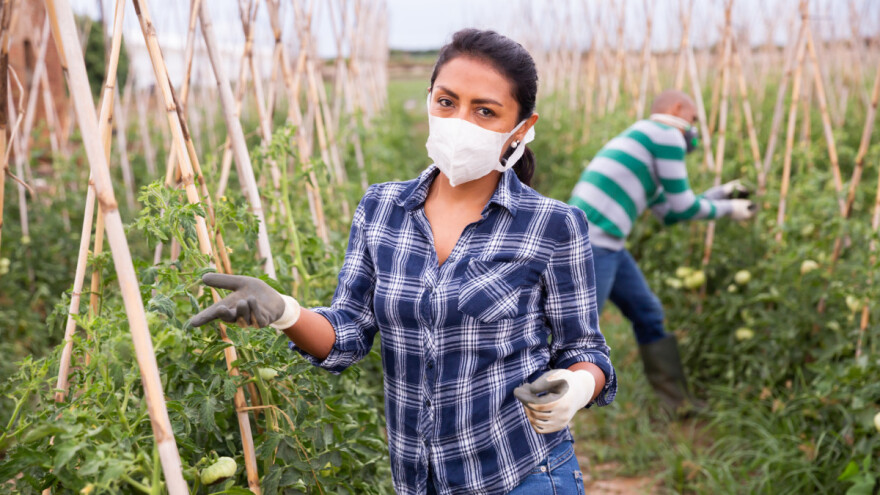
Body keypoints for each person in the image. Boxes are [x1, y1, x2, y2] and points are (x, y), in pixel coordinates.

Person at [190, 29, 615, 495]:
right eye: (447, 102)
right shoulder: (381, 209)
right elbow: (348, 332)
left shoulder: (552, 225)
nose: (459, 122)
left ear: (521, 127)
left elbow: (585, 350)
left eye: (485, 111)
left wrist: (576, 387)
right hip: (417, 479)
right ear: (429, 98)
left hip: (520, 473)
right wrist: (286, 313)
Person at [568, 89, 755, 415]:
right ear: (678, 108)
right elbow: (684, 206)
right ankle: (552, 414)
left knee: (648, 312)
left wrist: (722, 193)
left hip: (607, 244)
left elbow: (670, 213)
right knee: (577, 333)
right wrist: (731, 209)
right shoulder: (666, 135)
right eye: (693, 119)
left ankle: (677, 404)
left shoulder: (645, 141)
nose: (693, 129)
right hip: (591, 244)